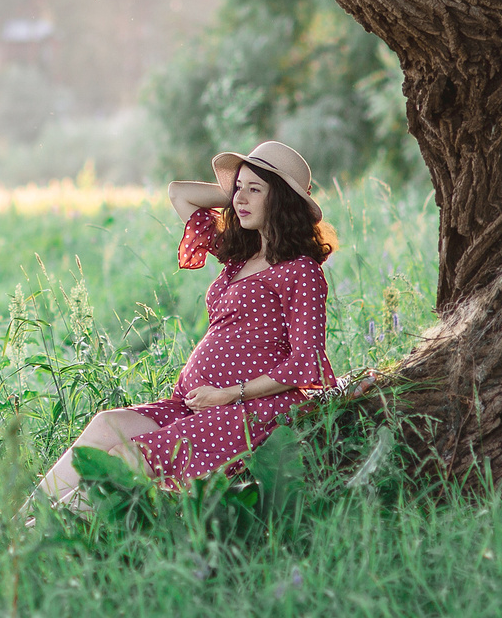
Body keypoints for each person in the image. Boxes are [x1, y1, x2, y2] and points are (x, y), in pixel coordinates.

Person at [35, 140, 337, 511]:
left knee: (126, 458)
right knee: (107, 425)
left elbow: (307, 362)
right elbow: (179, 194)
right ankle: (17, 529)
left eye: (255, 190)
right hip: (199, 404)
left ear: (281, 201)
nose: (239, 200)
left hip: (254, 409)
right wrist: (242, 190)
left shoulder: (300, 271)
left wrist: (230, 393)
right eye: (237, 188)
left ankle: (40, 540)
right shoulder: (241, 256)